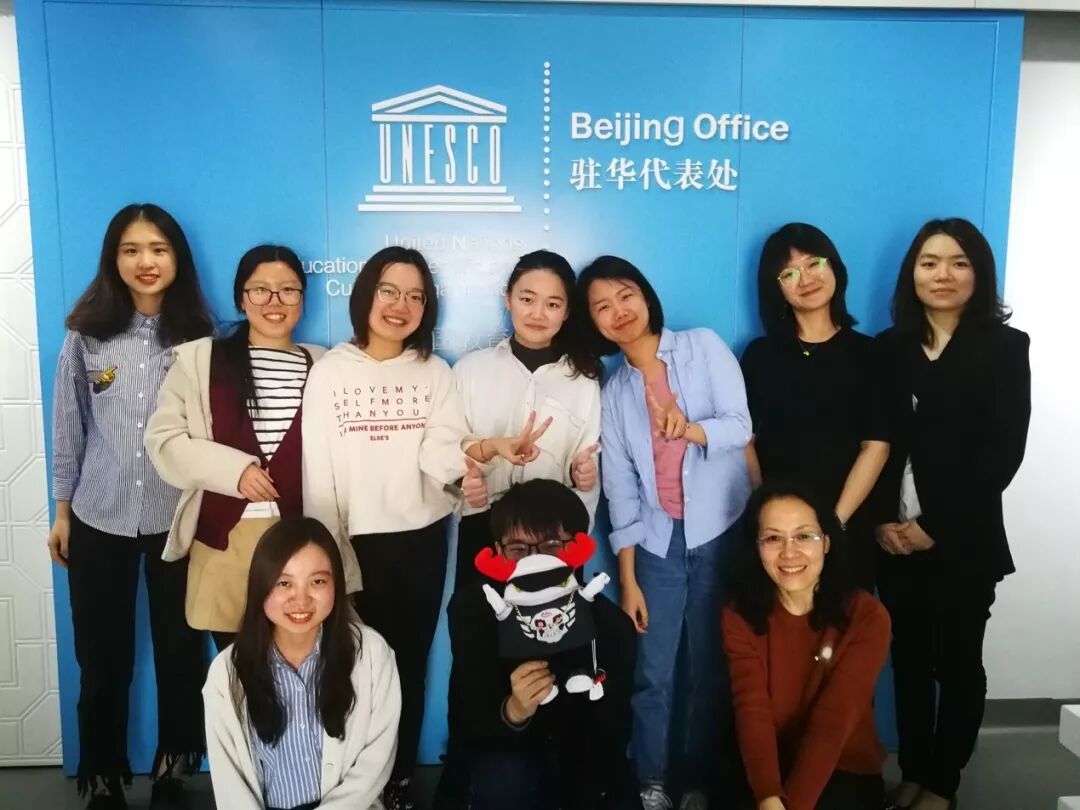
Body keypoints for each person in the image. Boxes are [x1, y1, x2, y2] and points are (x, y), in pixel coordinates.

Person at [301, 245, 552, 810]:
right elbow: (318, 477)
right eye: (389, 291)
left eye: (415, 296)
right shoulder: (331, 371)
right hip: (351, 542)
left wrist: (484, 450)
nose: (401, 305)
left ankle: (396, 783)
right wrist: (330, 563)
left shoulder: (434, 372)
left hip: (420, 541)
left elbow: (440, 453)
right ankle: (347, 789)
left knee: (406, 669)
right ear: (366, 295)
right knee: (348, 668)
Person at [46, 203, 215, 809]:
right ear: (113, 259)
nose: (146, 261)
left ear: (177, 259)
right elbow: (69, 427)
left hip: (179, 519)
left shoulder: (201, 338)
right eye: (132, 249)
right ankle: (103, 777)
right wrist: (62, 511)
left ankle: (172, 769)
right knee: (101, 658)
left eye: (159, 249)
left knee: (180, 651)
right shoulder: (86, 335)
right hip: (99, 516)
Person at [578, 255, 753, 810]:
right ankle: (650, 780)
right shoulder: (614, 392)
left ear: (646, 295)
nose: (618, 311)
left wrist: (691, 428)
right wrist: (628, 580)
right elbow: (621, 491)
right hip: (658, 545)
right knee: (653, 674)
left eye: (625, 294)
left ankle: (698, 780)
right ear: (593, 322)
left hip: (720, 532)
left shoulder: (702, 346)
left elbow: (741, 426)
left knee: (707, 668)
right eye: (602, 306)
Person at [435, 249, 603, 808]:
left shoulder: (584, 380)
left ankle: (553, 777)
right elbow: (445, 448)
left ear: (567, 312)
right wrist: (467, 479)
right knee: (476, 660)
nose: (538, 312)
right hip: (487, 537)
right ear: (507, 299)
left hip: (555, 545)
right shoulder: (472, 370)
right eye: (527, 298)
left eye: (553, 303)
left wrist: (582, 478)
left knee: (560, 652)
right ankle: (466, 781)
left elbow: (587, 475)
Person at [875, 218, 1031, 810]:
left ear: (979, 274)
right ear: (911, 274)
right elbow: (874, 441)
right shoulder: (889, 348)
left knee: (959, 664)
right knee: (909, 663)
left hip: (963, 540)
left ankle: (944, 783)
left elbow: (1003, 453)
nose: (943, 274)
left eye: (959, 262)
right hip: (893, 536)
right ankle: (915, 771)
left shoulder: (1005, 348)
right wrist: (881, 523)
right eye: (929, 262)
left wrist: (934, 528)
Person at [146, 244, 324, 651]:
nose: (274, 301)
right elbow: (164, 439)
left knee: (299, 666)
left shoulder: (323, 365)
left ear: (302, 299)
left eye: (288, 290)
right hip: (225, 543)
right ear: (241, 299)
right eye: (260, 290)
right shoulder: (201, 360)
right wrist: (234, 471)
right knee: (237, 672)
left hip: (299, 546)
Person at [447, 479, 637, 810]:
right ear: (498, 552)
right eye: (518, 549)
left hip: (583, 763)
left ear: (578, 547)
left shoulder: (611, 625)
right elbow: (466, 720)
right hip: (506, 760)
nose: (534, 563)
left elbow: (613, 732)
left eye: (551, 546)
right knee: (503, 776)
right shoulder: (474, 611)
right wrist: (512, 712)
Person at [203, 516, 401, 810]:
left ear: (336, 584)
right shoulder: (226, 672)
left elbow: (376, 762)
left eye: (317, 581)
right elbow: (230, 782)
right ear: (260, 586)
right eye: (284, 583)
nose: (301, 600)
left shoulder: (372, 655)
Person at [724, 482, 890, 810]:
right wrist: (769, 796)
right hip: (768, 763)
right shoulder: (738, 615)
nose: (789, 552)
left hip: (842, 765)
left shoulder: (867, 616)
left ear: (826, 542)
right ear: (756, 548)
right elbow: (752, 710)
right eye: (773, 538)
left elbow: (833, 722)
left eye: (803, 536)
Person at [741, 223, 890, 587]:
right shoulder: (760, 355)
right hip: (779, 536)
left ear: (834, 266)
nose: (805, 279)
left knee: (847, 618)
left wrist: (832, 526)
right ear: (775, 288)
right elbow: (744, 439)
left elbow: (876, 447)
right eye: (788, 273)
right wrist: (765, 511)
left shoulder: (870, 354)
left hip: (846, 525)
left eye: (813, 263)